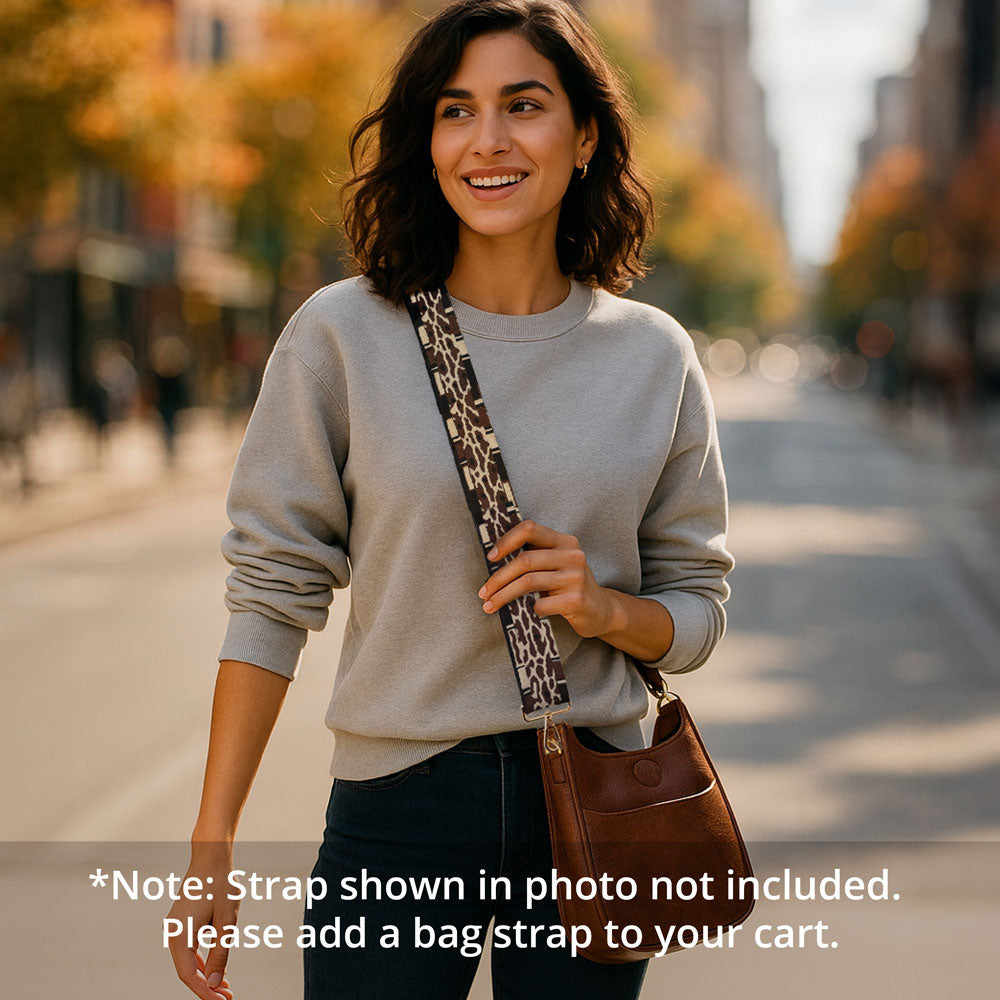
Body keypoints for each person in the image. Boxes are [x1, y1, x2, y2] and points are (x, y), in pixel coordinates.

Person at [167, 2, 735, 998]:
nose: (488, 142)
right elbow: (271, 596)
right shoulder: (343, 335)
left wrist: (604, 607)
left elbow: (696, 612)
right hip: (399, 810)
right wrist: (213, 840)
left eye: (523, 105)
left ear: (586, 133)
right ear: (425, 140)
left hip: (592, 811)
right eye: (454, 111)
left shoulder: (653, 357)